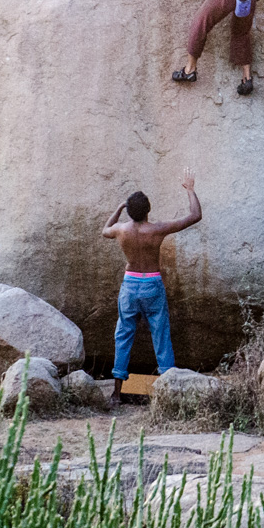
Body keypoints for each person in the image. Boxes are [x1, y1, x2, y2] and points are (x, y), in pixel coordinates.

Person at [102, 169, 202, 403]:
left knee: (124, 334)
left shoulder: (121, 230)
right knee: (161, 334)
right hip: (152, 284)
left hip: (130, 285)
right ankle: (169, 390)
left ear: (130, 212)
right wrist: (190, 189)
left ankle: (117, 393)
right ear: (148, 211)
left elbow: (105, 230)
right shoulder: (156, 230)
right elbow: (195, 215)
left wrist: (118, 208)